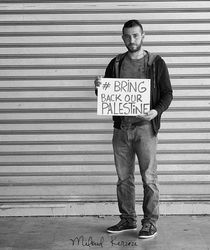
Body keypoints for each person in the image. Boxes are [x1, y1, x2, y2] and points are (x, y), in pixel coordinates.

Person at [94, 20, 173, 239]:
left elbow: (168, 94)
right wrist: (99, 87)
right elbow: (105, 97)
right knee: (123, 178)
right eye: (127, 36)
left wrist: (155, 112)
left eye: (135, 36)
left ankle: (150, 223)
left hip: (145, 129)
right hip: (121, 129)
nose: (131, 40)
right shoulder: (116, 63)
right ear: (122, 38)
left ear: (143, 36)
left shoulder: (156, 63)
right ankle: (127, 219)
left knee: (149, 178)